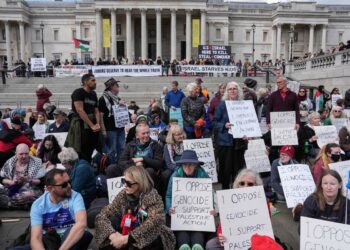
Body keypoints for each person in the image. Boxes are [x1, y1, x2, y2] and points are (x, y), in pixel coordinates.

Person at [95, 165, 176, 250]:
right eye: (123, 181)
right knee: (110, 222)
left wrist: (126, 239)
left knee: (149, 237)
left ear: (140, 183)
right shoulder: (123, 194)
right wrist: (112, 235)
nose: (125, 185)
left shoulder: (152, 196)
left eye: (129, 183)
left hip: (150, 234)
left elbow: (154, 221)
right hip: (127, 230)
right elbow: (102, 215)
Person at [27, 169, 93, 250]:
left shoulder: (76, 196)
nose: (69, 186)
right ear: (50, 188)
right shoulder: (38, 205)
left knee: (83, 234)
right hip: (49, 241)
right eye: (64, 185)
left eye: (69, 182)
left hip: (70, 240)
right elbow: (36, 238)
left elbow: (81, 224)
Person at [206, 169, 264, 250]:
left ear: (256, 185)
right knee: (211, 245)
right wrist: (221, 235)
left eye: (250, 184)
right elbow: (223, 225)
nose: (245, 187)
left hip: (254, 240)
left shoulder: (263, 202)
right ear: (238, 184)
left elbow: (264, 226)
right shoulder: (229, 200)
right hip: (233, 241)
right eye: (242, 183)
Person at [166, 150, 211, 250]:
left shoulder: (203, 175)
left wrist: (210, 208)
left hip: (198, 213)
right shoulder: (175, 175)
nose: (187, 167)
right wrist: (169, 208)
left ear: (196, 165)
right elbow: (169, 195)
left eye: (190, 165)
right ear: (181, 165)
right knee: (182, 228)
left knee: (198, 228)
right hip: (180, 212)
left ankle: (198, 246)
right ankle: (183, 246)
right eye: (185, 165)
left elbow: (209, 195)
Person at [213, 81, 247, 189]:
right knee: (226, 169)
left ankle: (236, 189)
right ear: (227, 91)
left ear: (238, 91)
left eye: (234, 88)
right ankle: (225, 190)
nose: (232, 91)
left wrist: (249, 133)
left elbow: (248, 121)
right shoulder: (222, 105)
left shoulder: (243, 104)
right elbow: (214, 122)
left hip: (239, 142)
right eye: (230, 89)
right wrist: (224, 125)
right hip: (225, 142)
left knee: (238, 169)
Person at [65, 73, 101, 162]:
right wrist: (92, 125)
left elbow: (96, 110)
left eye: (95, 80)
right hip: (80, 125)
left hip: (92, 124)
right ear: (85, 82)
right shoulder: (78, 92)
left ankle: (89, 167)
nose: (95, 82)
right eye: (92, 80)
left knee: (91, 148)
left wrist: (97, 124)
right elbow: (80, 110)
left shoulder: (93, 94)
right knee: (80, 149)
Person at [0, 144, 45, 209]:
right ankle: (21, 204)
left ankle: (11, 204)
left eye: (26, 153)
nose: (24, 156)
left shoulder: (37, 162)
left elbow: (42, 181)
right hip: (11, 189)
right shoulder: (9, 162)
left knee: (28, 195)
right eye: (21, 154)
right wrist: (11, 182)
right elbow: (1, 178)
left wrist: (29, 180)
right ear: (16, 153)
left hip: (31, 190)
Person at [98, 78, 126, 164]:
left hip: (120, 128)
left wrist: (123, 106)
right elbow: (100, 116)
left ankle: (120, 165)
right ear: (111, 87)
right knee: (112, 150)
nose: (118, 87)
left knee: (121, 148)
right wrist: (103, 130)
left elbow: (122, 113)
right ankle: (112, 168)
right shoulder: (103, 99)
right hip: (110, 129)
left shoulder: (118, 98)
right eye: (116, 85)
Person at [161, 124, 186, 199]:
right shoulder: (167, 146)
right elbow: (169, 163)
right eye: (177, 135)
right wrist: (179, 169)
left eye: (181, 133)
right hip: (173, 167)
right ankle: (166, 197)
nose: (181, 136)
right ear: (172, 136)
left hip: (186, 166)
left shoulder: (187, 143)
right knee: (165, 175)